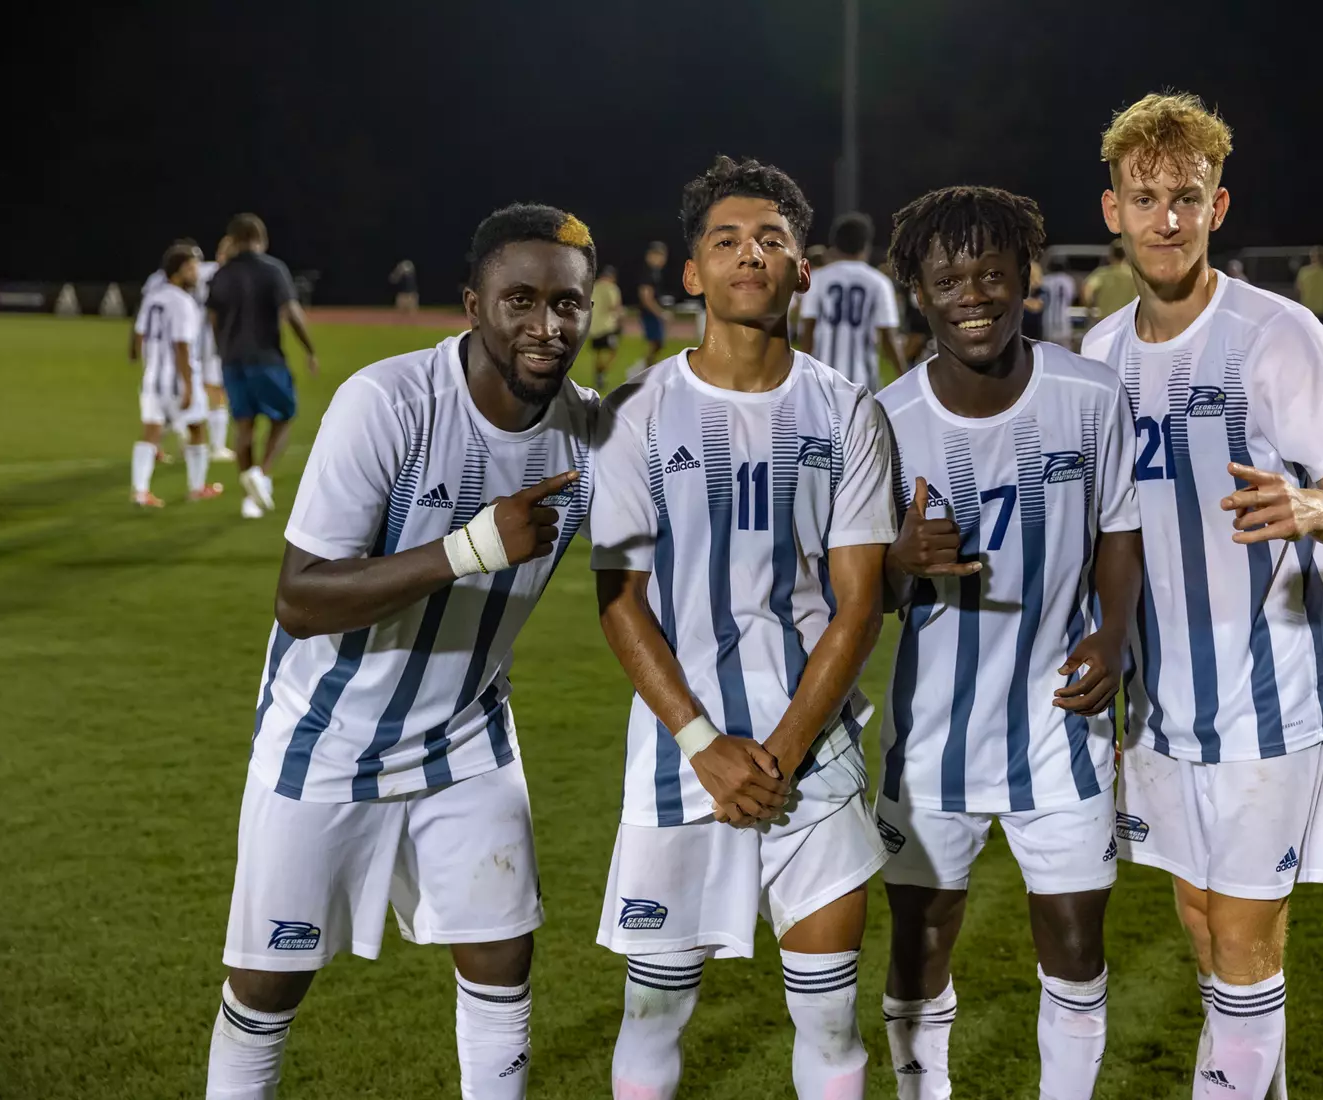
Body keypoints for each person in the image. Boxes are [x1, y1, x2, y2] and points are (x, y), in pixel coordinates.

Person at [203, 202, 600, 1100]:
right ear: (472, 304)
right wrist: (473, 547)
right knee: (268, 982)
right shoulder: (387, 404)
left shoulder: (593, 432)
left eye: (569, 305)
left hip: (467, 737)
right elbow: (301, 598)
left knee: (503, 959)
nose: (546, 327)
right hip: (329, 736)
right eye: (521, 301)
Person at [1082, 91, 1323, 1100]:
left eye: (1187, 197)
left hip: (1275, 690)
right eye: (1145, 197)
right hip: (1162, 701)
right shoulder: (1099, 358)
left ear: (1220, 207)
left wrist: (1309, 504)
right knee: (1208, 925)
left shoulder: (1277, 332)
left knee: (1249, 932)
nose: (1166, 218)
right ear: (1112, 210)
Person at [590, 155, 896, 1100]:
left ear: (803, 268)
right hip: (679, 759)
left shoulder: (846, 410)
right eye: (725, 241)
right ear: (693, 273)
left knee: (829, 1013)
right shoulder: (635, 409)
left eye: (771, 239)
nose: (749, 254)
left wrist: (782, 750)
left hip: (815, 755)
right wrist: (704, 744)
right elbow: (620, 598)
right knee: (653, 1011)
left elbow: (860, 603)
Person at [875, 186, 1143, 1100]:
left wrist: (1112, 632)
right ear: (918, 289)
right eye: (950, 277)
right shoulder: (883, 422)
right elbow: (853, 593)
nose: (974, 293)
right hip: (932, 741)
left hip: (1057, 727)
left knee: (1074, 947)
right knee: (919, 946)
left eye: (994, 273)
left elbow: (1119, 526)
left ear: (1029, 277)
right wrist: (900, 562)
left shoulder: (1091, 394)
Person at [206, 213, 320, 520]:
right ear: (260, 237)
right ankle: (262, 475)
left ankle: (249, 497)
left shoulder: (221, 274)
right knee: (283, 417)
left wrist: (222, 350)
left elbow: (213, 319)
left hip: (231, 361)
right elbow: (292, 313)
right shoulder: (273, 270)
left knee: (243, 425)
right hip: (266, 358)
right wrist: (309, 349)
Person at [129, 243, 223, 506]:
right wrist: (189, 387)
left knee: (151, 431)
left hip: (152, 377)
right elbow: (181, 346)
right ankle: (196, 488)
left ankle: (140, 491)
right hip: (177, 379)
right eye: (192, 267)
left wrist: (145, 360)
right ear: (179, 271)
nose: (197, 273)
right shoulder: (183, 302)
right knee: (196, 429)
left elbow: (139, 334)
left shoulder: (153, 297)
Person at [797, 211, 907, 391]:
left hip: (824, 382)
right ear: (866, 245)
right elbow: (888, 337)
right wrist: (903, 375)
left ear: (835, 244)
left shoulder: (818, 279)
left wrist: (802, 375)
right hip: (863, 382)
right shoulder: (879, 282)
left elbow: (808, 329)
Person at [201, 237, 237, 462]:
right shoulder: (224, 276)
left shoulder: (202, 271)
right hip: (210, 340)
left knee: (201, 390)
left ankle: (191, 441)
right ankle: (216, 447)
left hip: (194, 340)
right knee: (216, 391)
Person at [1080, 239, 1137, 324]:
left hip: (1106, 322)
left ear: (1111, 255)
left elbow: (1086, 289)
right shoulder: (1134, 276)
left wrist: (1090, 310)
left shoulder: (1102, 274)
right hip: (1128, 322)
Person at [636, 240, 671, 368]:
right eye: (659, 255)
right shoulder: (648, 272)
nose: (662, 259)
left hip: (650, 313)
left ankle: (644, 370)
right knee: (656, 343)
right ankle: (640, 371)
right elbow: (646, 297)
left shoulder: (655, 272)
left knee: (657, 344)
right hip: (649, 313)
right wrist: (660, 313)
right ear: (650, 255)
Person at [590, 264, 625, 391]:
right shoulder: (612, 288)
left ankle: (598, 376)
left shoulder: (593, 287)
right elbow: (614, 306)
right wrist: (621, 318)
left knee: (598, 353)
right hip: (608, 326)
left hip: (594, 326)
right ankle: (601, 374)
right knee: (613, 352)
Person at [1294, 247, 1323, 324]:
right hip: (1322, 310)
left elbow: (1298, 289)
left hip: (1306, 309)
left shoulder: (1303, 272)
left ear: (1311, 257)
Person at [1041, 254, 1078, 348]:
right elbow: (1071, 298)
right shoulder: (1068, 280)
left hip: (1047, 323)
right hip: (1064, 323)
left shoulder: (1045, 280)